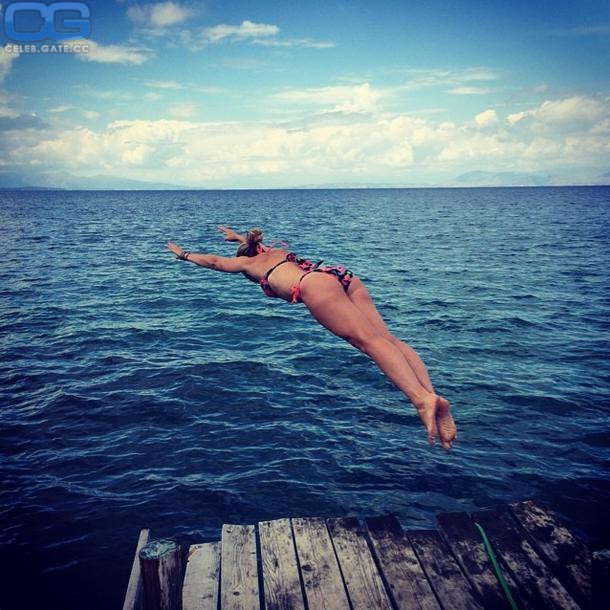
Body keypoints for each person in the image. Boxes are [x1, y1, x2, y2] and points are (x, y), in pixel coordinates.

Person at [167, 227, 457, 450]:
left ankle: (420, 401)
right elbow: (254, 245)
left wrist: (184, 255)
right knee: (387, 340)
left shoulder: (246, 264)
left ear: (245, 256)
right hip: (337, 274)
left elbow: (217, 262)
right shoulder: (274, 253)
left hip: (312, 285)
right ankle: (430, 394)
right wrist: (238, 237)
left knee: (369, 343)